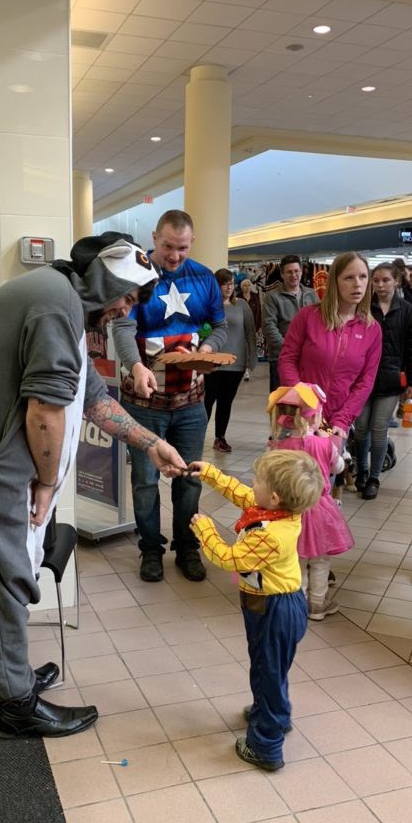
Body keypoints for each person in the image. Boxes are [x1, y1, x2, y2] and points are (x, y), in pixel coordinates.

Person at [0, 235, 188, 740]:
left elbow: (91, 398)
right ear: (106, 280)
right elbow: (45, 411)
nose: (122, 312)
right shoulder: (56, 304)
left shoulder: (58, 297)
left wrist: (150, 443)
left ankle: (4, 679)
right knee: (0, 573)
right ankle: (17, 705)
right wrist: (47, 484)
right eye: (126, 297)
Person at [188, 449, 323, 771]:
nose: (253, 483)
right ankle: (273, 711)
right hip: (271, 604)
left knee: (269, 672)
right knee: (269, 668)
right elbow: (242, 494)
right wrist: (209, 473)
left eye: (259, 480)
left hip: (276, 610)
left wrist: (205, 530)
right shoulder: (277, 511)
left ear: (275, 497)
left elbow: (230, 559)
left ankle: (266, 745)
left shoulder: (270, 534)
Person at [112, 210, 227, 584]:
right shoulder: (137, 275)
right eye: (166, 246)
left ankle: (187, 546)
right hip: (143, 404)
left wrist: (208, 348)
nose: (174, 255)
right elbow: (123, 326)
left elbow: (220, 326)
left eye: (181, 247)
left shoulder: (205, 278)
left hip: (191, 402)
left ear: (191, 242)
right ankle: (150, 549)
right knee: (145, 480)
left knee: (189, 477)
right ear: (154, 238)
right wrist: (135, 366)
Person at [267, 383, 354, 619]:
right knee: (320, 559)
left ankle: (298, 602)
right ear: (315, 416)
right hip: (319, 509)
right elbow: (339, 466)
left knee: (297, 558)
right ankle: (317, 604)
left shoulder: (278, 446)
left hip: (289, 510)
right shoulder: (324, 444)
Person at [277, 252, 382, 443]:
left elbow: (365, 381)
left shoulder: (372, 330)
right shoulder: (308, 316)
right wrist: (304, 402)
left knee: (326, 473)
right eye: (349, 277)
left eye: (363, 276)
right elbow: (287, 359)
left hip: (335, 425)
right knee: (289, 472)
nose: (357, 283)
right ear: (335, 281)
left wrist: (342, 420)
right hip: (298, 419)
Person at [353, 262, 412, 500]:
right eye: (376, 280)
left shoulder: (407, 311)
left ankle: (374, 477)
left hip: (391, 380)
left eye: (386, 280)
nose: (380, 285)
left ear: (396, 281)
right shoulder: (362, 308)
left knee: (379, 428)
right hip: (361, 379)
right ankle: (360, 470)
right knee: (361, 428)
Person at [204, 269, 257, 452]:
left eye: (231, 283)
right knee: (207, 401)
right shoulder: (208, 306)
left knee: (226, 402)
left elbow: (250, 332)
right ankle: (197, 436)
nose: (229, 287)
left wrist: (252, 358)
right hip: (212, 363)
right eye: (225, 283)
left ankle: (220, 438)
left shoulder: (241, 305)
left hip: (236, 363)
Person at [262, 256, 319, 391]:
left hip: (308, 359)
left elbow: (319, 324)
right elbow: (269, 327)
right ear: (282, 274)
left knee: (307, 402)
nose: (293, 275)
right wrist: (289, 350)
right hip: (281, 358)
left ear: (301, 272)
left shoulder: (311, 294)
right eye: (289, 272)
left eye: (296, 271)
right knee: (283, 403)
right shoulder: (272, 297)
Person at [237, 277, 263, 375]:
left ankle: (249, 365)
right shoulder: (238, 297)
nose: (247, 287)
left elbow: (259, 312)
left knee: (251, 347)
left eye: (248, 285)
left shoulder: (255, 296)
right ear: (241, 287)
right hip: (240, 327)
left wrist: (259, 326)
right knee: (243, 347)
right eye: (245, 285)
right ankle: (245, 368)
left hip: (253, 326)